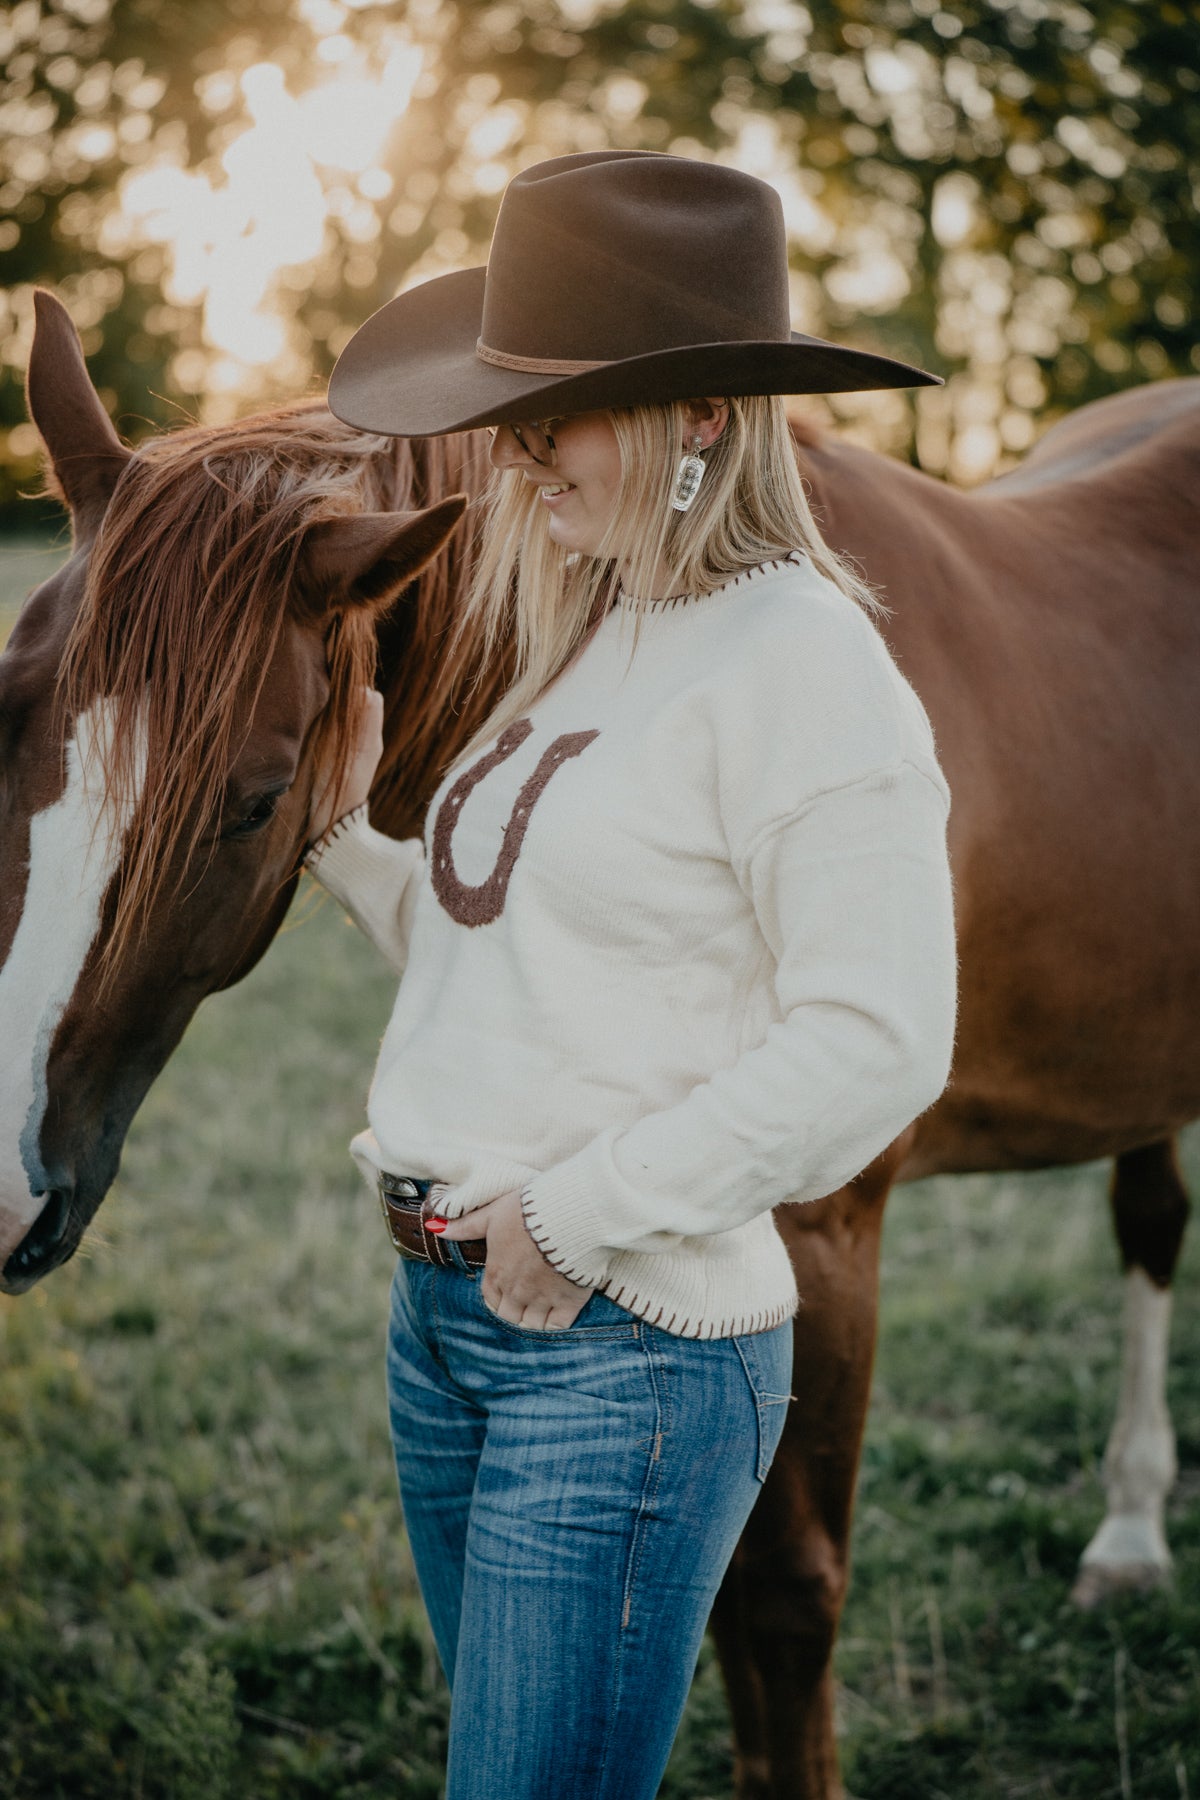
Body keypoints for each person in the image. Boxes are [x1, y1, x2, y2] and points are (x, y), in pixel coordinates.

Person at [305, 150, 957, 1800]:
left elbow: (880, 1038)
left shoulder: (807, 663)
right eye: (509, 414)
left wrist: (578, 1214)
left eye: (558, 416)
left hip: (621, 1350)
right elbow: (508, 954)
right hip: (448, 1325)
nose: (514, 455)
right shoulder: (596, 628)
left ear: (704, 419)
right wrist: (338, 838)